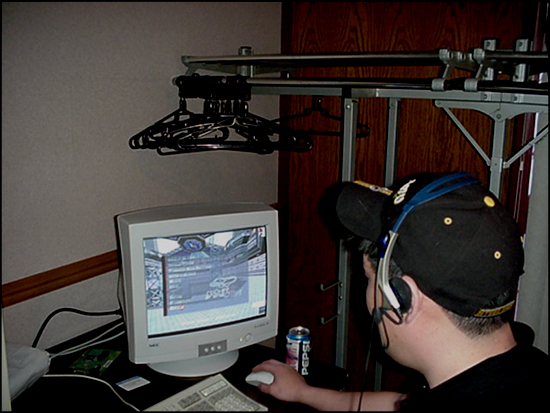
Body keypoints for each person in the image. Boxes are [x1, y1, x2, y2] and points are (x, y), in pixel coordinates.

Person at [252, 172, 548, 410]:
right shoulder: (520, 368)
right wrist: (304, 393)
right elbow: (400, 403)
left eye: (368, 278)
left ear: (402, 298)